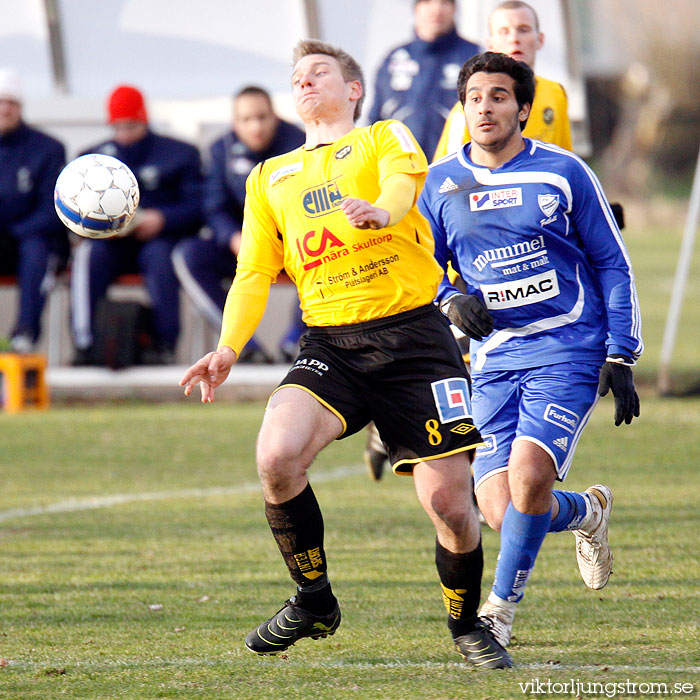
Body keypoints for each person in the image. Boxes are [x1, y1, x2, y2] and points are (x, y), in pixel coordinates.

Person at [180, 39, 512, 669]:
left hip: (415, 341)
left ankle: (468, 625)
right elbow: (253, 272)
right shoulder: (268, 176)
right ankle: (313, 600)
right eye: (297, 76)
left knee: (450, 505)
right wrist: (227, 348)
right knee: (276, 457)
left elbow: (400, 189)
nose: (304, 82)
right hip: (332, 342)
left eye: (320, 73)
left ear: (353, 88)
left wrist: (378, 213)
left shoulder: (387, 136)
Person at [418, 51, 643, 649]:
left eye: (498, 96)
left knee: (527, 479)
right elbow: (419, 268)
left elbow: (612, 263)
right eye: (474, 98)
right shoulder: (441, 182)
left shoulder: (563, 173)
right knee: (498, 509)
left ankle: (498, 611)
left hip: (569, 348)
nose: (484, 108)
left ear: (522, 107)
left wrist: (621, 352)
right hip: (492, 361)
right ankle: (587, 512)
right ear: (461, 109)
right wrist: (449, 298)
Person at [71, 85, 203, 365]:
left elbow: (198, 205)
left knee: (162, 259)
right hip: (111, 242)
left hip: (159, 239)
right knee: (89, 255)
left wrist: (162, 218)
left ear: (144, 120)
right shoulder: (94, 159)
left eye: (131, 126)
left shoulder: (179, 154)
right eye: (118, 127)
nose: (125, 134)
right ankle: (86, 343)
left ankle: (164, 344)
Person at [172, 86, 305, 364]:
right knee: (189, 255)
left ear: (275, 116)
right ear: (235, 122)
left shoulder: (301, 144)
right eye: (246, 119)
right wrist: (234, 239)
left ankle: (297, 341)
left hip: (295, 245)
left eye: (262, 117)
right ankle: (241, 344)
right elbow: (213, 207)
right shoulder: (220, 149)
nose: (255, 126)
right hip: (244, 246)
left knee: (328, 248)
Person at [433, 0, 571, 160]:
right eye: (504, 31)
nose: (514, 39)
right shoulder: (466, 110)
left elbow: (565, 159)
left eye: (523, 30)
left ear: (540, 39)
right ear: (490, 44)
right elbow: (446, 175)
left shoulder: (555, 93)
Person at [0, 67, 69, 352]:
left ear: (20, 107)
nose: (5, 109)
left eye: (11, 102)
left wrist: (15, 230)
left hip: (33, 238)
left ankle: (24, 335)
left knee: (36, 250)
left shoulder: (47, 148)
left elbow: (52, 208)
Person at [368, 0, 479, 161]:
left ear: (454, 7)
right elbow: (375, 120)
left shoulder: (474, 56)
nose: (436, 9)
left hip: (458, 168)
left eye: (444, 2)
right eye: (427, 2)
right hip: (401, 169)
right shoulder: (393, 60)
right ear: (416, 8)